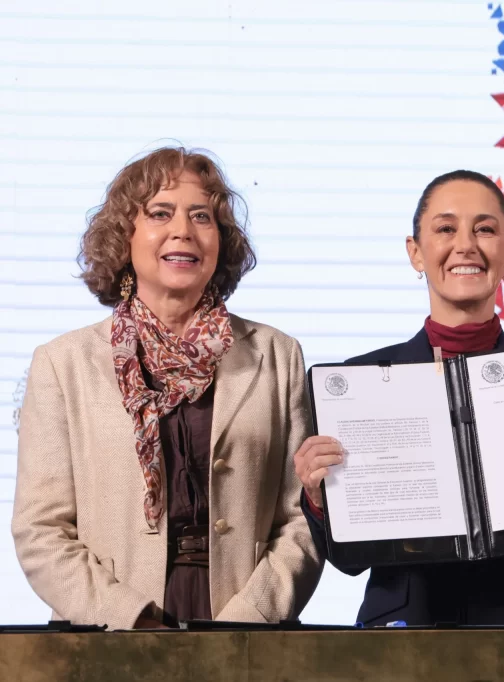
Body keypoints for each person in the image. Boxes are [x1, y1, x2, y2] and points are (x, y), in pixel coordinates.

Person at [294, 170, 504, 627]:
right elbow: (350, 561)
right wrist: (318, 495)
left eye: (485, 229)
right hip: (401, 639)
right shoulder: (360, 384)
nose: (466, 245)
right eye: (446, 229)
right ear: (416, 252)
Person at [12, 147, 323, 629]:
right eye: (161, 213)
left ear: (220, 240)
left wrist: (249, 618)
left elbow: (301, 515)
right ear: (125, 235)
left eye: (202, 216)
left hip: (245, 626)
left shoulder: (278, 355)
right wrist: (130, 620)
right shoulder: (62, 364)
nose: (183, 229)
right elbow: (41, 530)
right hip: (110, 633)